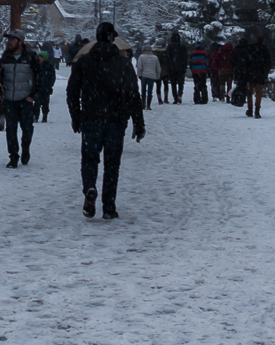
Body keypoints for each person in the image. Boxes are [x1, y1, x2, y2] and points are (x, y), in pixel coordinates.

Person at [65, 21, 146, 218]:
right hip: (116, 119)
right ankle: (108, 206)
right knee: (112, 163)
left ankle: (90, 187)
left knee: (89, 159)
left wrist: (76, 116)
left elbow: (72, 91)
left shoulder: (84, 62)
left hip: (91, 117)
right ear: (112, 38)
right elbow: (134, 94)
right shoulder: (123, 63)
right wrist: (138, 122)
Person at [0, 28, 46, 166]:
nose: (9, 42)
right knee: (10, 129)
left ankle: (25, 148)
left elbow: (39, 77)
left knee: (27, 128)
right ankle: (13, 156)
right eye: (8, 39)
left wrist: (34, 95)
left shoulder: (30, 57)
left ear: (20, 42)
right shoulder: (5, 57)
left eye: (12, 39)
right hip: (9, 99)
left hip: (25, 99)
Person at [235, 27, 275, 118]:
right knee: (259, 92)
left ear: (256, 39)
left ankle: (250, 109)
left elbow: (246, 61)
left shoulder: (251, 48)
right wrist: (265, 72)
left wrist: (246, 70)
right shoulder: (265, 49)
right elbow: (268, 63)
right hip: (261, 74)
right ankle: (257, 110)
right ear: (263, 40)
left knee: (249, 92)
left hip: (251, 73)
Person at [162, 30, 188, 104]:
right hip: (181, 67)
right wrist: (184, 67)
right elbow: (185, 57)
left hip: (172, 67)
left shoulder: (170, 46)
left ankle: (175, 97)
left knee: (173, 84)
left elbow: (166, 57)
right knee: (180, 83)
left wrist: (169, 64)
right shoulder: (182, 46)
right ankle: (180, 94)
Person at [36, 42, 59, 122]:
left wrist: (49, 85)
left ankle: (45, 115)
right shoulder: (36, 66)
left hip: (46, 87)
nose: (40, 59)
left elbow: (52, 76)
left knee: (45, 103)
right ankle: (36, 116)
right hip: (37, 87)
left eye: (41, 57)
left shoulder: (49, 66)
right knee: (36, 103)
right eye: (39, 57)